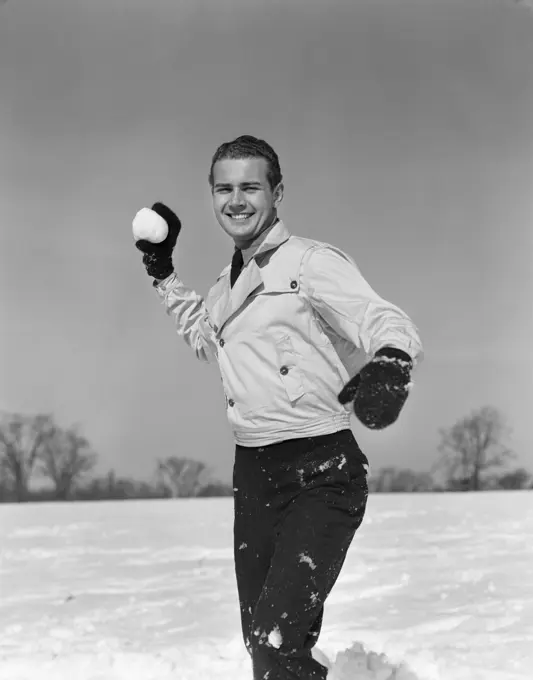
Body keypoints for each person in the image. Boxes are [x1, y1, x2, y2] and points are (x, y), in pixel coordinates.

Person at [134, 135, 423, 680]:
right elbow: (206, 337)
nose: (236, 200)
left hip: (322, 469)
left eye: (250, 186)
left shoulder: (310, 262)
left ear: (277, 192)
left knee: (277, 639)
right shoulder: (227, 285)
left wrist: (391, 360)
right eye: (224, 188)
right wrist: (163, 271)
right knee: (261, 642)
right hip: (256, 473)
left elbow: (381, 317)